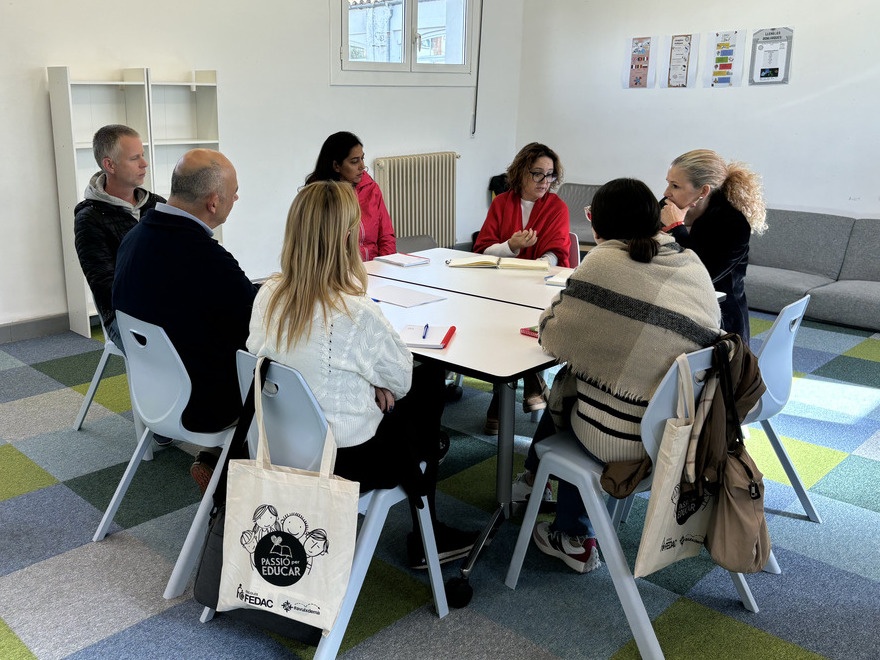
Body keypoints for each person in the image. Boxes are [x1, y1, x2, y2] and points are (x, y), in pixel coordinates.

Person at [246, 180, 475, 568]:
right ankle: (427, 538)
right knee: (429, 386)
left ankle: (428, 460)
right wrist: (375, 384)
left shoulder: (267, 293)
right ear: (350, 236)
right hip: (345, 459)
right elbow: (401, 381)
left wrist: (365, 382)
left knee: (393, 394)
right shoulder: (355, 313)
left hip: (274, 440)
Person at [516, 178, 722, 573]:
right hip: (687, 435)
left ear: (596, 224)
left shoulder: (604, 260)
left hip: (625, 443)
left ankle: (572, 535)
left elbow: (552, 334)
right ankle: (535, 479)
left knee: (568, 383)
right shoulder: (688, 260)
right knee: (585, 379)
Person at [113, 148, 258, 446]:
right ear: (214, 202)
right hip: (203, 406)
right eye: (234, 193)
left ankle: (217, 462)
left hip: (154, 393)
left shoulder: (134, 238)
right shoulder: (208, 259)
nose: (236, 199)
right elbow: (258, 324)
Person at [472, 142, 571, 433]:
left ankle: (504, 400)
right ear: (521, 173)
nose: (544, 182)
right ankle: (534, 385)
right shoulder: (502, 202)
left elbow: (556, 253)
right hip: (499, 286)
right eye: (537, 174)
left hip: (539, 285)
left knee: (521, 326)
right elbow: (483, 251)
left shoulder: (557, 207)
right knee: (497, 329)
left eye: (550, 175)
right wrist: (511, 246)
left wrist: (537, 264)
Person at [661, 149, 767, 344]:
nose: (666, 192)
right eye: (668, 183)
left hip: (722, 324)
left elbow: (701, 274)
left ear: (703, 191)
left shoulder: (733, 223)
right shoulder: (666, 207)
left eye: (675, 186)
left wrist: (676, 228)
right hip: (677, 307)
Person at [74, 124, 165, 350]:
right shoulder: (90, 218)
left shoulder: (158, 205)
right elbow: (106, 287)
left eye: (142, 155)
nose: (144, 164)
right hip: (124, 317)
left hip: (168, 304)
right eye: (135, 158)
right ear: (109, 165)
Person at [305, 131, 395, 261]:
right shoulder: (320, 196)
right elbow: (320, 248)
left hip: (376, 269)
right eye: (354, 161)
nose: (362, 166)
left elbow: (386, 236)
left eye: (362, 158)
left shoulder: (371, 188)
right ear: (336, 166)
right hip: (340, 272)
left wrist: (386, 265)